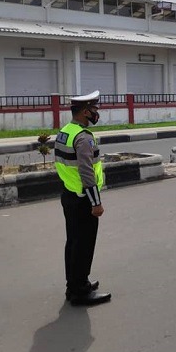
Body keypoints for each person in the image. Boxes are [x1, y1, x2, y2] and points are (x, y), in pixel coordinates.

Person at [54, 90, 112, 306]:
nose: (96, 114)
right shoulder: (83, 137)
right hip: (83, 198)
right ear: (85, 111)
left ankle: (75, 284)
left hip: (68, 194)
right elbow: (87, 172)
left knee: (73, 242)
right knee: (84, 244)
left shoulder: (65, 131)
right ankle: (80, 291)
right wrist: (96, 202)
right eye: (94, 110)